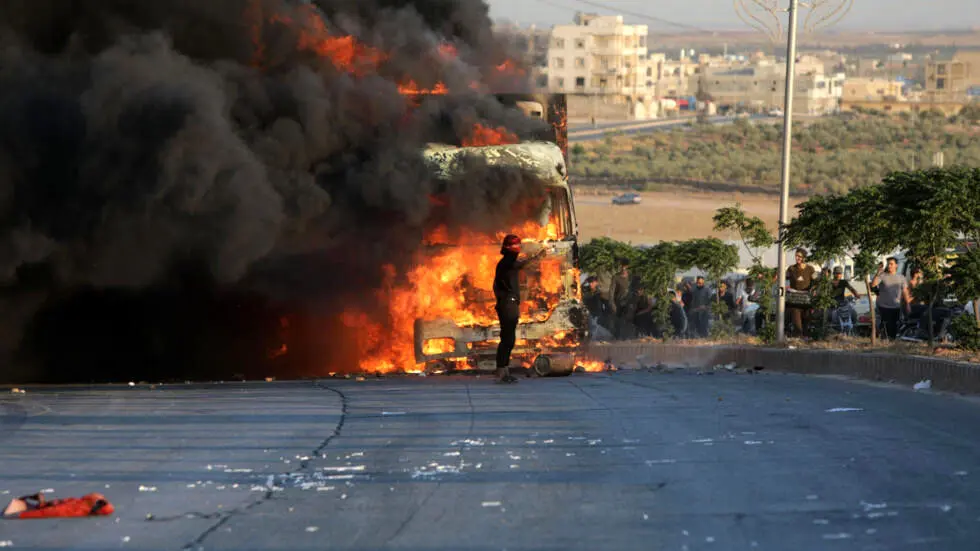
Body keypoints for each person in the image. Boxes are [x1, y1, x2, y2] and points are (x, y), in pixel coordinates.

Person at [493, 234, 544, 383]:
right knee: (507, 339)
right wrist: (537, 257)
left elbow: (520, 264)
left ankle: (504, 371)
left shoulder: (506, 262)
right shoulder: (507, 262)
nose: (518, 247)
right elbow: (522, 264)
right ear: (508, 247)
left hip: (508, 303)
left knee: (508, 338)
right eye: (516, 245)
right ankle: (501, 372)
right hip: (508, 304)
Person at [871, 257, 912, 340]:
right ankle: (884, 341)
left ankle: (891, 343)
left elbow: (905, 291)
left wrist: (907, 304)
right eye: (888, 264)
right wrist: (878, 273)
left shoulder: (901, 277)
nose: (889, 266)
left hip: (896, 306)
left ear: (896, 265)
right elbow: (873, 285)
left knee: (894, 328)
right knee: (886, 327)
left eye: (891, 264)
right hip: (884, 307)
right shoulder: (882, 276)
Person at [785, 248, 816, 337]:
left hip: (806, 300)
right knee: (797, 325)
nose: (797, 258)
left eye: (799, 256)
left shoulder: (810, 269)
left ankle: (805, 340)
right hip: (794, 301)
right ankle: (797, 338)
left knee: (806, 322)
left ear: (804, 258)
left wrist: (813, 289)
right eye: (796, 256)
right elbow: (785, 279)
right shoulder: (791, 268)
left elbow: (816, 281)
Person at [608, 258, 631, 339]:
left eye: (625, 267)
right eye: (622, 267)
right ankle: (617, 337)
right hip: (619, 302)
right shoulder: (616, 277)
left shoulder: (632, 277)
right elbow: (611, 292)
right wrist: (612, 304)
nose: (623, 269)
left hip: (630, 303)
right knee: (618, 322)